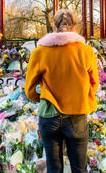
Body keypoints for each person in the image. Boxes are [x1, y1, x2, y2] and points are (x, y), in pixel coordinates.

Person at [25, 9, 99, 173]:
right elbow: (94, 83)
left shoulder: (39, 52)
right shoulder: (85, 51)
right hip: (77, 115)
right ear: (74, 26)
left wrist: (43, 96)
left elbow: (29, 89)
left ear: (53, 25)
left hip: (49, 116)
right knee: (79, 167)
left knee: (54, 167)